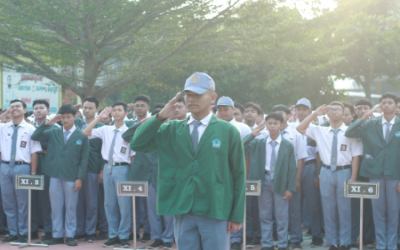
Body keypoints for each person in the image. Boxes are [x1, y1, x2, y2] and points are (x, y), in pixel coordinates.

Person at [129, 72, 246, 250]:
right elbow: (137, 143)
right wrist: (160, 117)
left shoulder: (228, 131)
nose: (192, 99)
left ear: (212, 97)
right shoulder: (171, 129)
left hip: (214, 207)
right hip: (183, 208)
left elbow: (238, 174)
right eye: (188, 95)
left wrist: (236, 215)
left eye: (198, 95)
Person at [297, 101, 362, 250]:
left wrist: (352, 177)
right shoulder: (320, 130)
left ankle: (345, 242)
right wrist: (315, 113)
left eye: (338, 110)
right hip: (325, 171)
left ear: (343, 113)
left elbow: (356, 157)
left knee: (345, 209)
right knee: (328, 208)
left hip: (344, 171)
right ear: (327, 113)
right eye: (331, 110)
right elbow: (300, 128)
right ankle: (332, 242)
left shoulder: (350, 131)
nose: (334, 112)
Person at [345, 92, 400, 250]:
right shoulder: (370, 124)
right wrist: (366, 115)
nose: (387, 105)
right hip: (374, 173)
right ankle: (381, 245)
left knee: (394, 211)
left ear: (396, 106)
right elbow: (349, 132)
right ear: (380, 106)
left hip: (395, 175)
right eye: (383, 103)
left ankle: (391, 245)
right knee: (378, 212)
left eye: (390, 102)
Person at [31, 104, 89, 246]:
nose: (65, 120)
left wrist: (80, 178)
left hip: (71, 175)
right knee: (55, 206)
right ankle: (57, 235)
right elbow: (35, 136)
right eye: (62, 117)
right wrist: (47, 124)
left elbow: (84, 159)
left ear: (75, 117)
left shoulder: (82, 134)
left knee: (70, 207)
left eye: (68, 117)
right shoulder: (53, 131)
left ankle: (70, 235)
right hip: (55, 174)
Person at [82, 101, 136, 248]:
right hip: (107, 167)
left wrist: (132, 174)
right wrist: (99, 117)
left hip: (123, 168)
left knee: (124, 204)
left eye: (120, 110)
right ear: (111, 113)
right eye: (115, 110)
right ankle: (113, 235)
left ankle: (124, 235)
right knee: (109, 203)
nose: (117, 112)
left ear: (126, 113)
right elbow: (86, 132)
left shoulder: (129, 131)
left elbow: (133, 156)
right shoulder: (106, 129)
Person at [122, 109, 174, 249]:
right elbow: (126, 135)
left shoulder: (173, 133)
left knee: (168, 211)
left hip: (168, 178)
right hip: (149, 178)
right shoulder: (146, 134)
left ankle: (168, 239)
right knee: (153, 210)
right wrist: (142, 123)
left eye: (165, 119)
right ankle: (157, 238)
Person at [244, 113, 297, 250]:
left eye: (275, 123)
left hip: (280, 181)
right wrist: (252, 134)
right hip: (264, 180)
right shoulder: (259, 143)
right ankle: (267, 244)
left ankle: (282, 244)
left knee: (281, 216)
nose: (272, 126)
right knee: (265, 215)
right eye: (270, 123)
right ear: (265, 125)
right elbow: (240, 145)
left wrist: (290, 188)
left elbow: (292, 168)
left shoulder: (287, 145)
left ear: (281, 125)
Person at [0, 100, 42, 244]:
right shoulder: (3, 128)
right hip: (5, 167)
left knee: (23, 203)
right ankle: (13, 232)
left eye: (18, 106)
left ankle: (24, 233)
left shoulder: (30, 128)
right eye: (12, 107)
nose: (14, 109)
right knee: (8, 202)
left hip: (23, 167)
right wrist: (4, 114)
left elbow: (35, 152)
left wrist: (33, 173)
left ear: (25, 110)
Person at [216, 96, 253, 250]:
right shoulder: (214, 126)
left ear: (234, 110)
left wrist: (243, 177)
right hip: (218, 175)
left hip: (235, 173)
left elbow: (247, 155)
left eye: (226, 109)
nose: (223, 112)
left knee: (236, 207)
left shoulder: (243, 128)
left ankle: (236, 239)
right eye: (220, 109)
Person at [268, 104, 307, 250]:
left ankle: (296, 238)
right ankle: (278, 238)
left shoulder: (295, 133)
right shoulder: (268, 133)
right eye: (275, 113)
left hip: (290, 177)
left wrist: (297, 180)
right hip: (273, 177)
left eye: (281, 113)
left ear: (288, 116)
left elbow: (301, 157)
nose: (278, 115)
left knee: (294, 209)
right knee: (275, 211)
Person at [292, 98, 324, 247]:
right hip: (293, 168)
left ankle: (316, 236)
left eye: (304, 109)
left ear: (310, 112)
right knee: (294, 205)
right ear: (295, 110)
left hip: (310, 167)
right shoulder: (290, 127)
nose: (301, 112)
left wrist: (318, 174)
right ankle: (295, 238)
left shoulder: (315, 128)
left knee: (313, 205)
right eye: (299, 109)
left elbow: (318, 154)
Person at [74, 97, 106, 242]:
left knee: (92, 202)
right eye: (85, 108)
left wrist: (101, 170)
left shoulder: (101, 127)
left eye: (90, 108)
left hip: (93, 169)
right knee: (77, 202)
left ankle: (91, 231)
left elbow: (103, 151)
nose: (87, 110)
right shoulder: (76, 124)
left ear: (97, 109)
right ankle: (79, 230)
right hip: (75, 170)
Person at [30, 99, 57, 241]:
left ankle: (49, 230)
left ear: (48, 111)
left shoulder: (54, 128)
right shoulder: (27, 126)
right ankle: (33, 230)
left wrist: (41, 151)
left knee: (46, 200)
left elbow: (57, 149)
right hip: (30, 166)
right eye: (36, 108)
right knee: (31, 199)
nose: (38, 110)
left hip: (47, 167)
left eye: (41, 108)